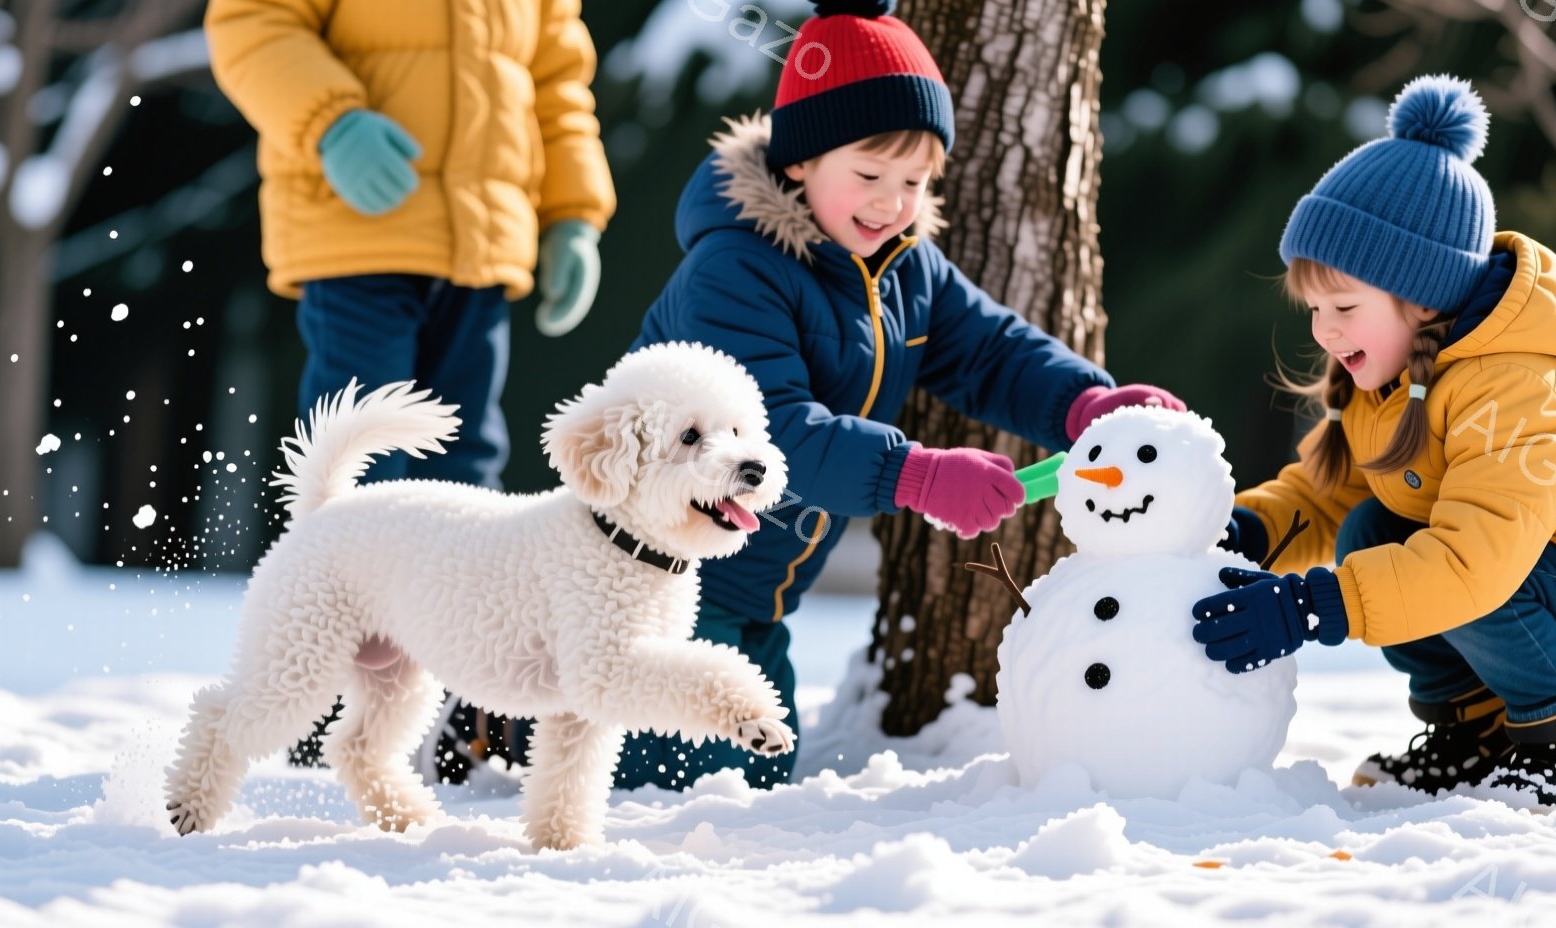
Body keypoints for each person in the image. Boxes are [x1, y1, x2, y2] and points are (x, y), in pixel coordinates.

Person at [602, 0, 1182, 789]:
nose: (891, 201)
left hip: (757, 595)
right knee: (688, 785)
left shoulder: (905, 267)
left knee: (756, 775)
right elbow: (770, 437)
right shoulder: (734, 271)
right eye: (869, 175)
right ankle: (506, 710)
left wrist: (1085, 406)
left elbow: (992, 352)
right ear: (801, 162)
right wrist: (917, 474)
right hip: (650, 580)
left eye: (914, 180)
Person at [205, 0, 615, 772]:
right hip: (355, 229)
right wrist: (333, 121)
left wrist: (572, 213)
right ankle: (314, 694)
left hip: (482, 243)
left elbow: (558, 78)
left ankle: (468, 719)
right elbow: (251, 23)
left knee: (467, 477)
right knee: (357, 476)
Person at [1196, 75, 1556, 809]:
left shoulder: (1517, 383)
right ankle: (1473, 735)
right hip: (1525, 591)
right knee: (1373, 524)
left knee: (1452, 557)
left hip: (1554, 583)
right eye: (1312, 307)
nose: (1323, 330)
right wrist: (1243, 531)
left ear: (1425, 294)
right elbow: (1324, 493)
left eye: (1343, 305)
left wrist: (1313, 608)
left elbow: (1478, 563)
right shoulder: (1391, 378)